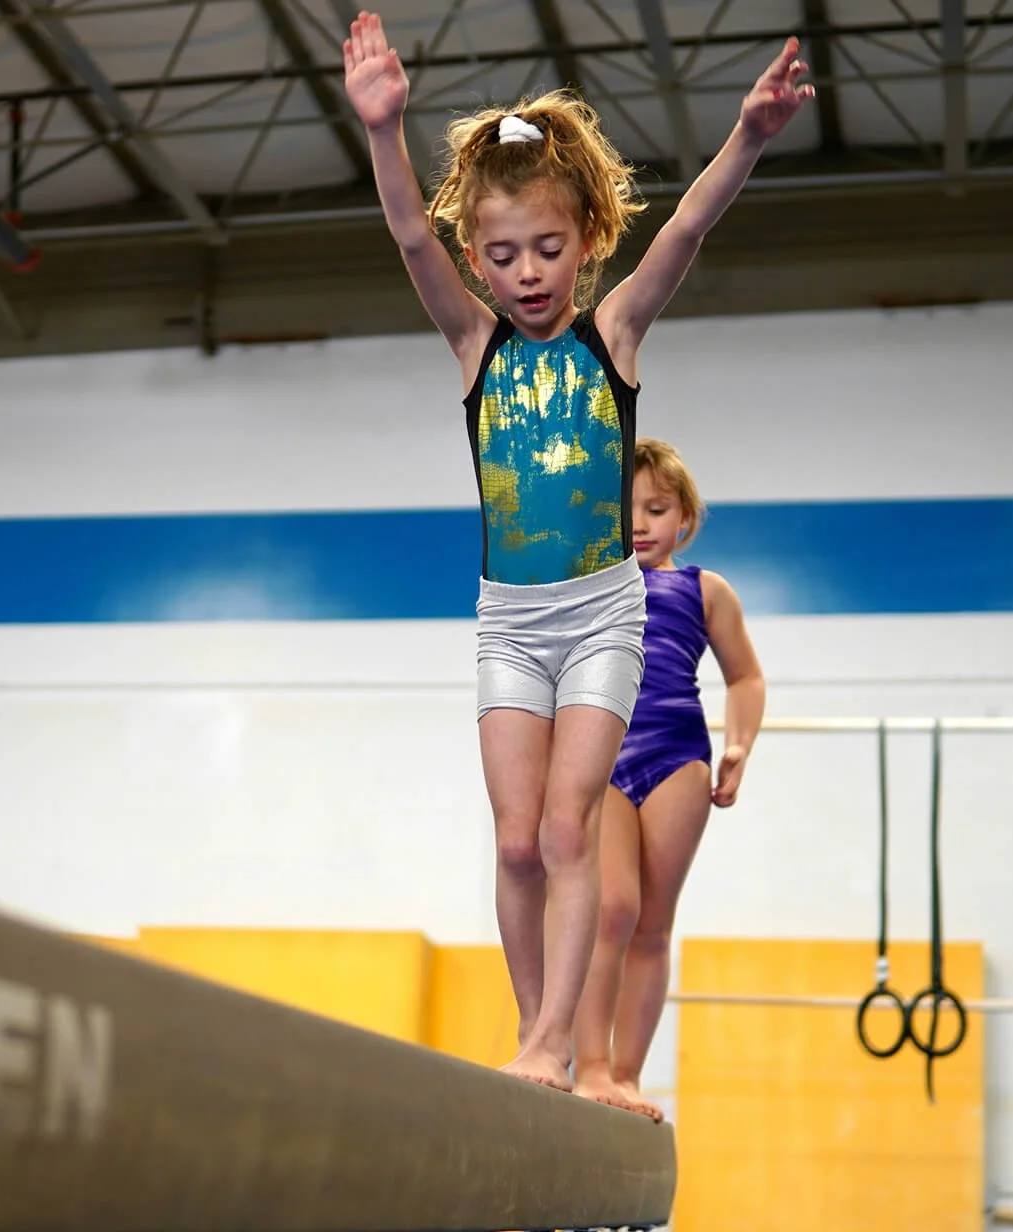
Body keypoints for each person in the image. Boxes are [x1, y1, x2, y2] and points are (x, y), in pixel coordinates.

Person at [342, 9, 809, 1091]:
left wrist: (743, 137)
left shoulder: (614, 341)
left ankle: (561, 1040)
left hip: (604, 612)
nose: (528, 272)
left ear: (589, 242)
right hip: (508, 620)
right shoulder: (472, 344)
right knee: (513, 841)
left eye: (549, 248)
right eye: (503, 256)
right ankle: (532, 1034)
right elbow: (412, 237)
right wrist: (382, 128)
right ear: (479, 261)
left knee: (566, 832)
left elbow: (685, 230)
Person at [572, 438, 766, 1119]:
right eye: (624, 511)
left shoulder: (705, 590)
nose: (640, 523)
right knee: (612, 908)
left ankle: (625, 1074)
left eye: (656, 509)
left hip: (677, 753)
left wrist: (740, 744)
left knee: (652, 924)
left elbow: (744, 675)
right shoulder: (586, 583)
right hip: (601, 750)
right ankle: (589, 1063)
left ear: (684, 517)